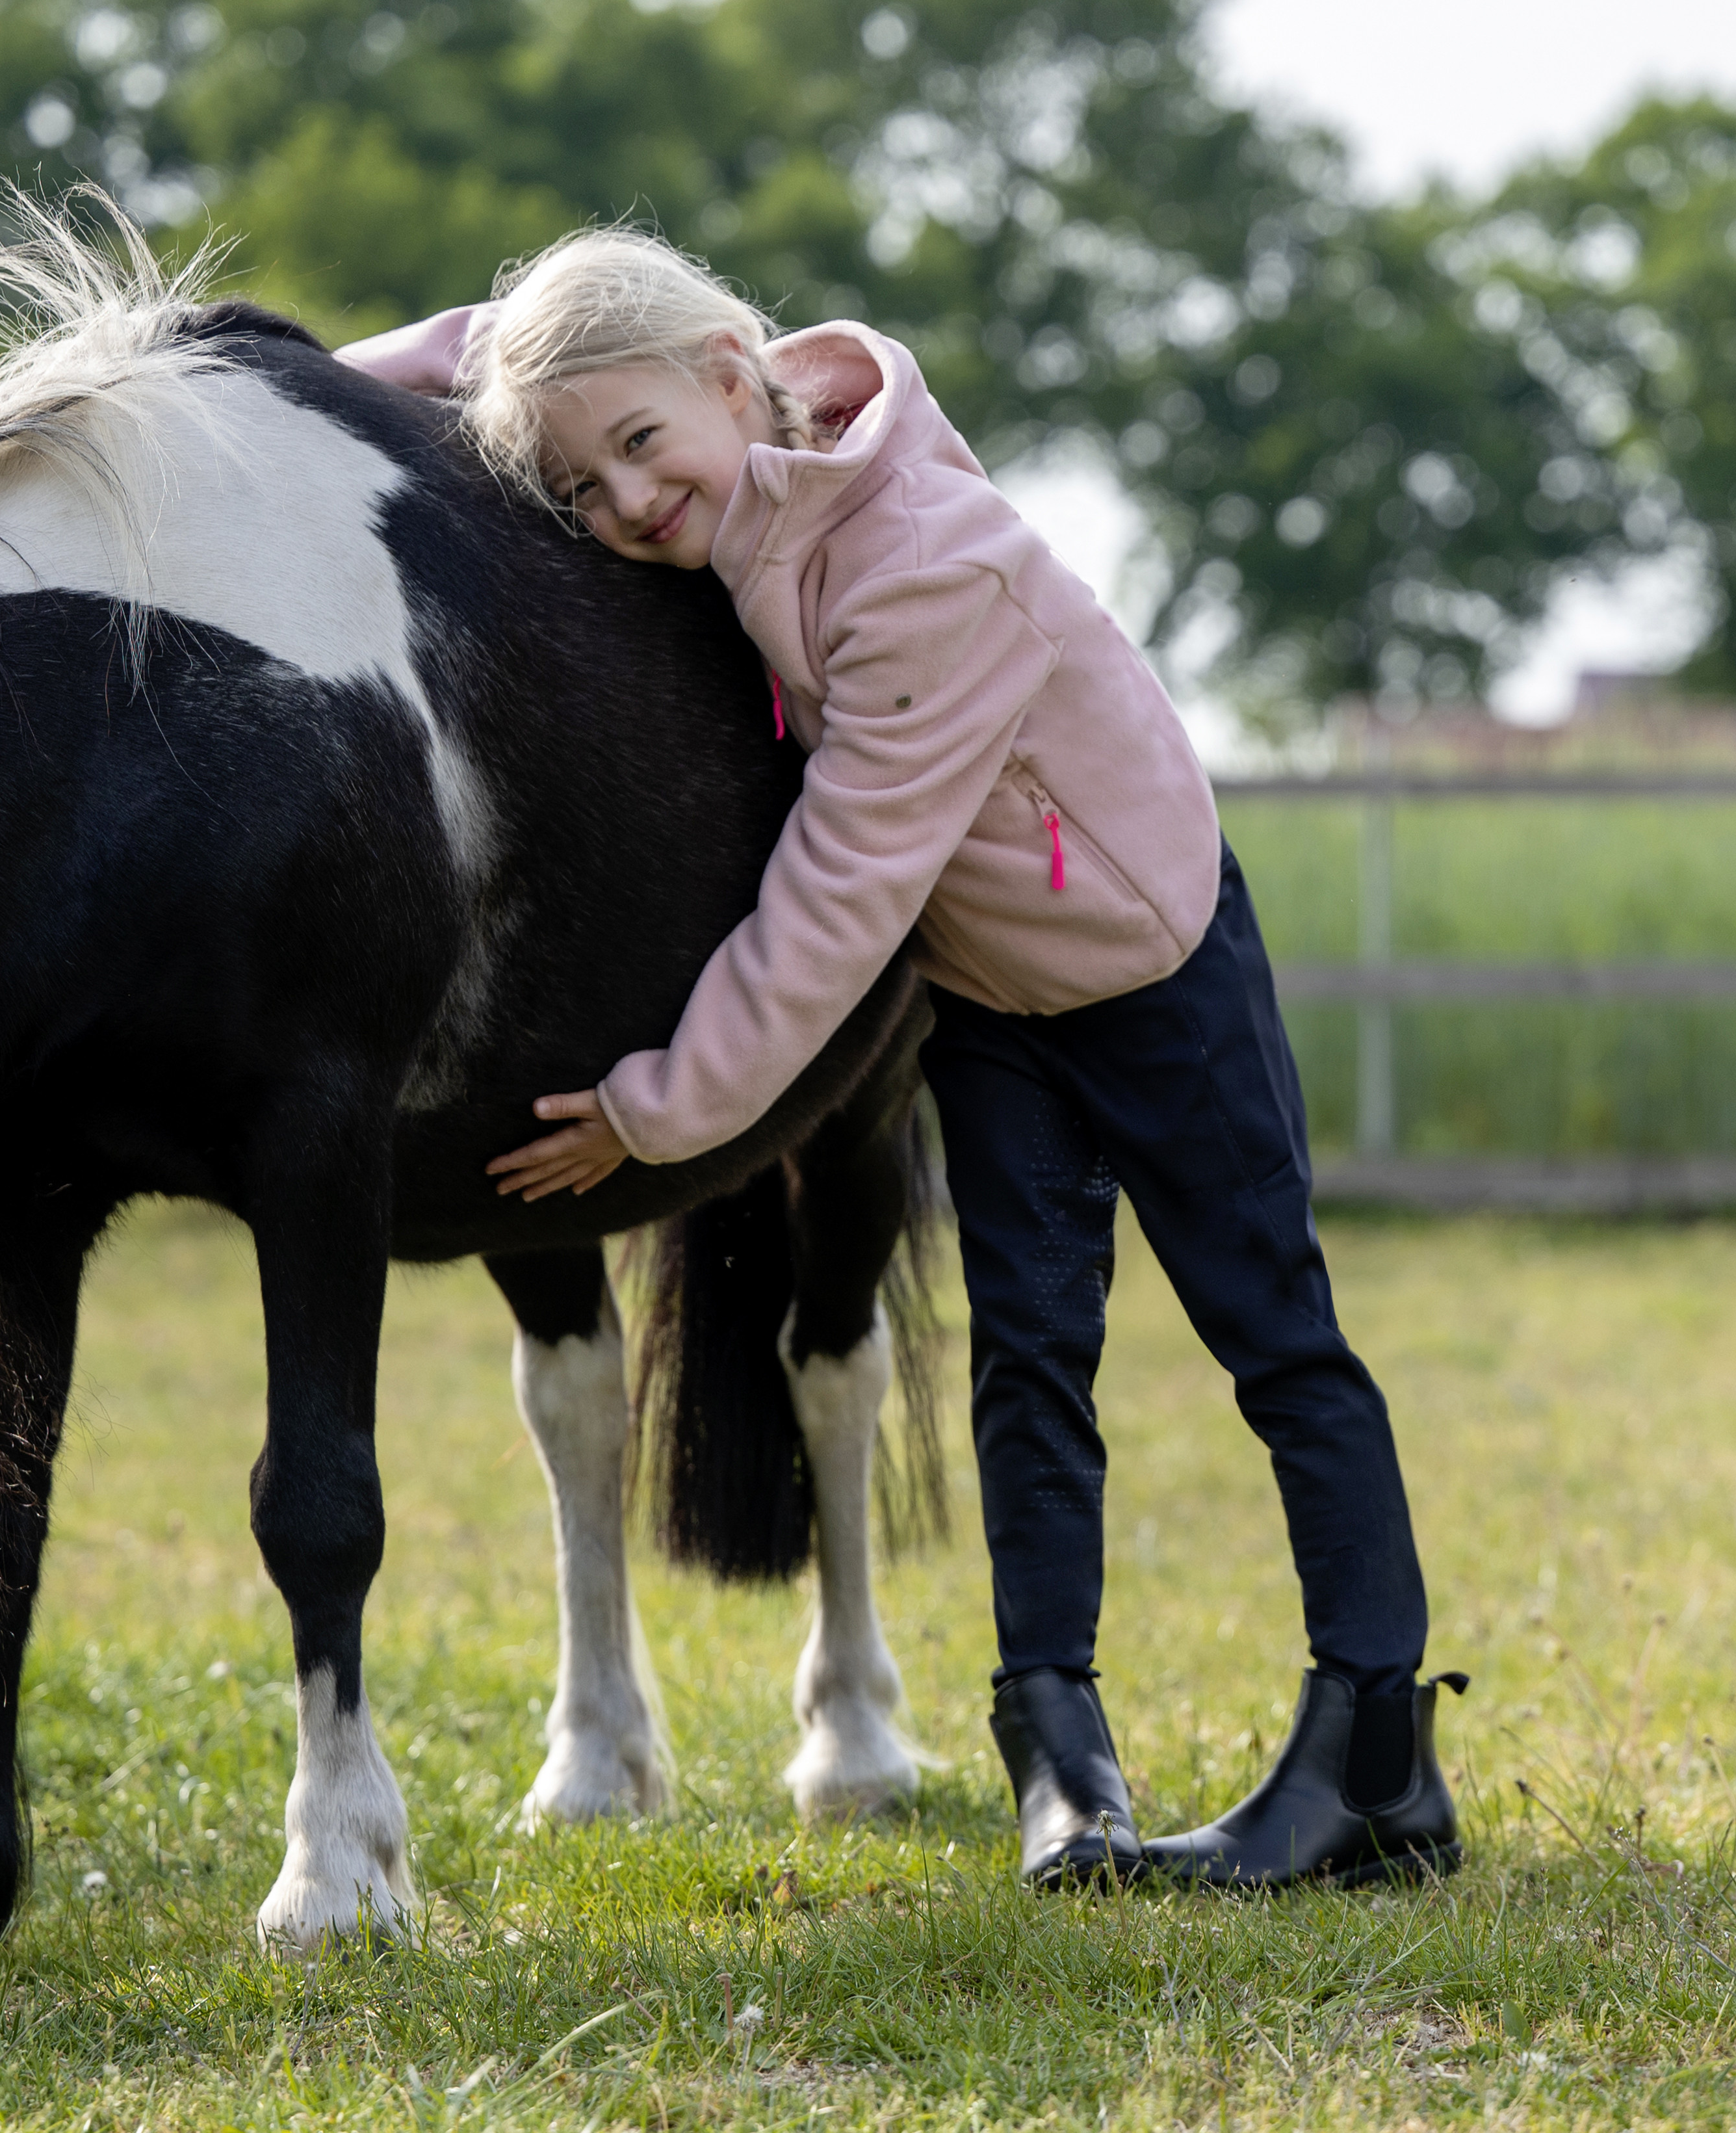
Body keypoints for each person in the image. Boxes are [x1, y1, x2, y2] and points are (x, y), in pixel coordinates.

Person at [339, 230, 1463, 1890]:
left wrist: (655, 1114)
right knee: (1029, 1358)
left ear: (732, 376)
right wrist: (239, 385)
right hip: (990, 991)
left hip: (1148, 972)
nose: (626, 503)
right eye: (581, 487)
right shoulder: (712, 433)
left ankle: (1376, 1764)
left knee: (1275, 1341)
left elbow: (838, 898)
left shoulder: (923, 566)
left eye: (640, 447)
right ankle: (1059, 1758)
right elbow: (476, 338)